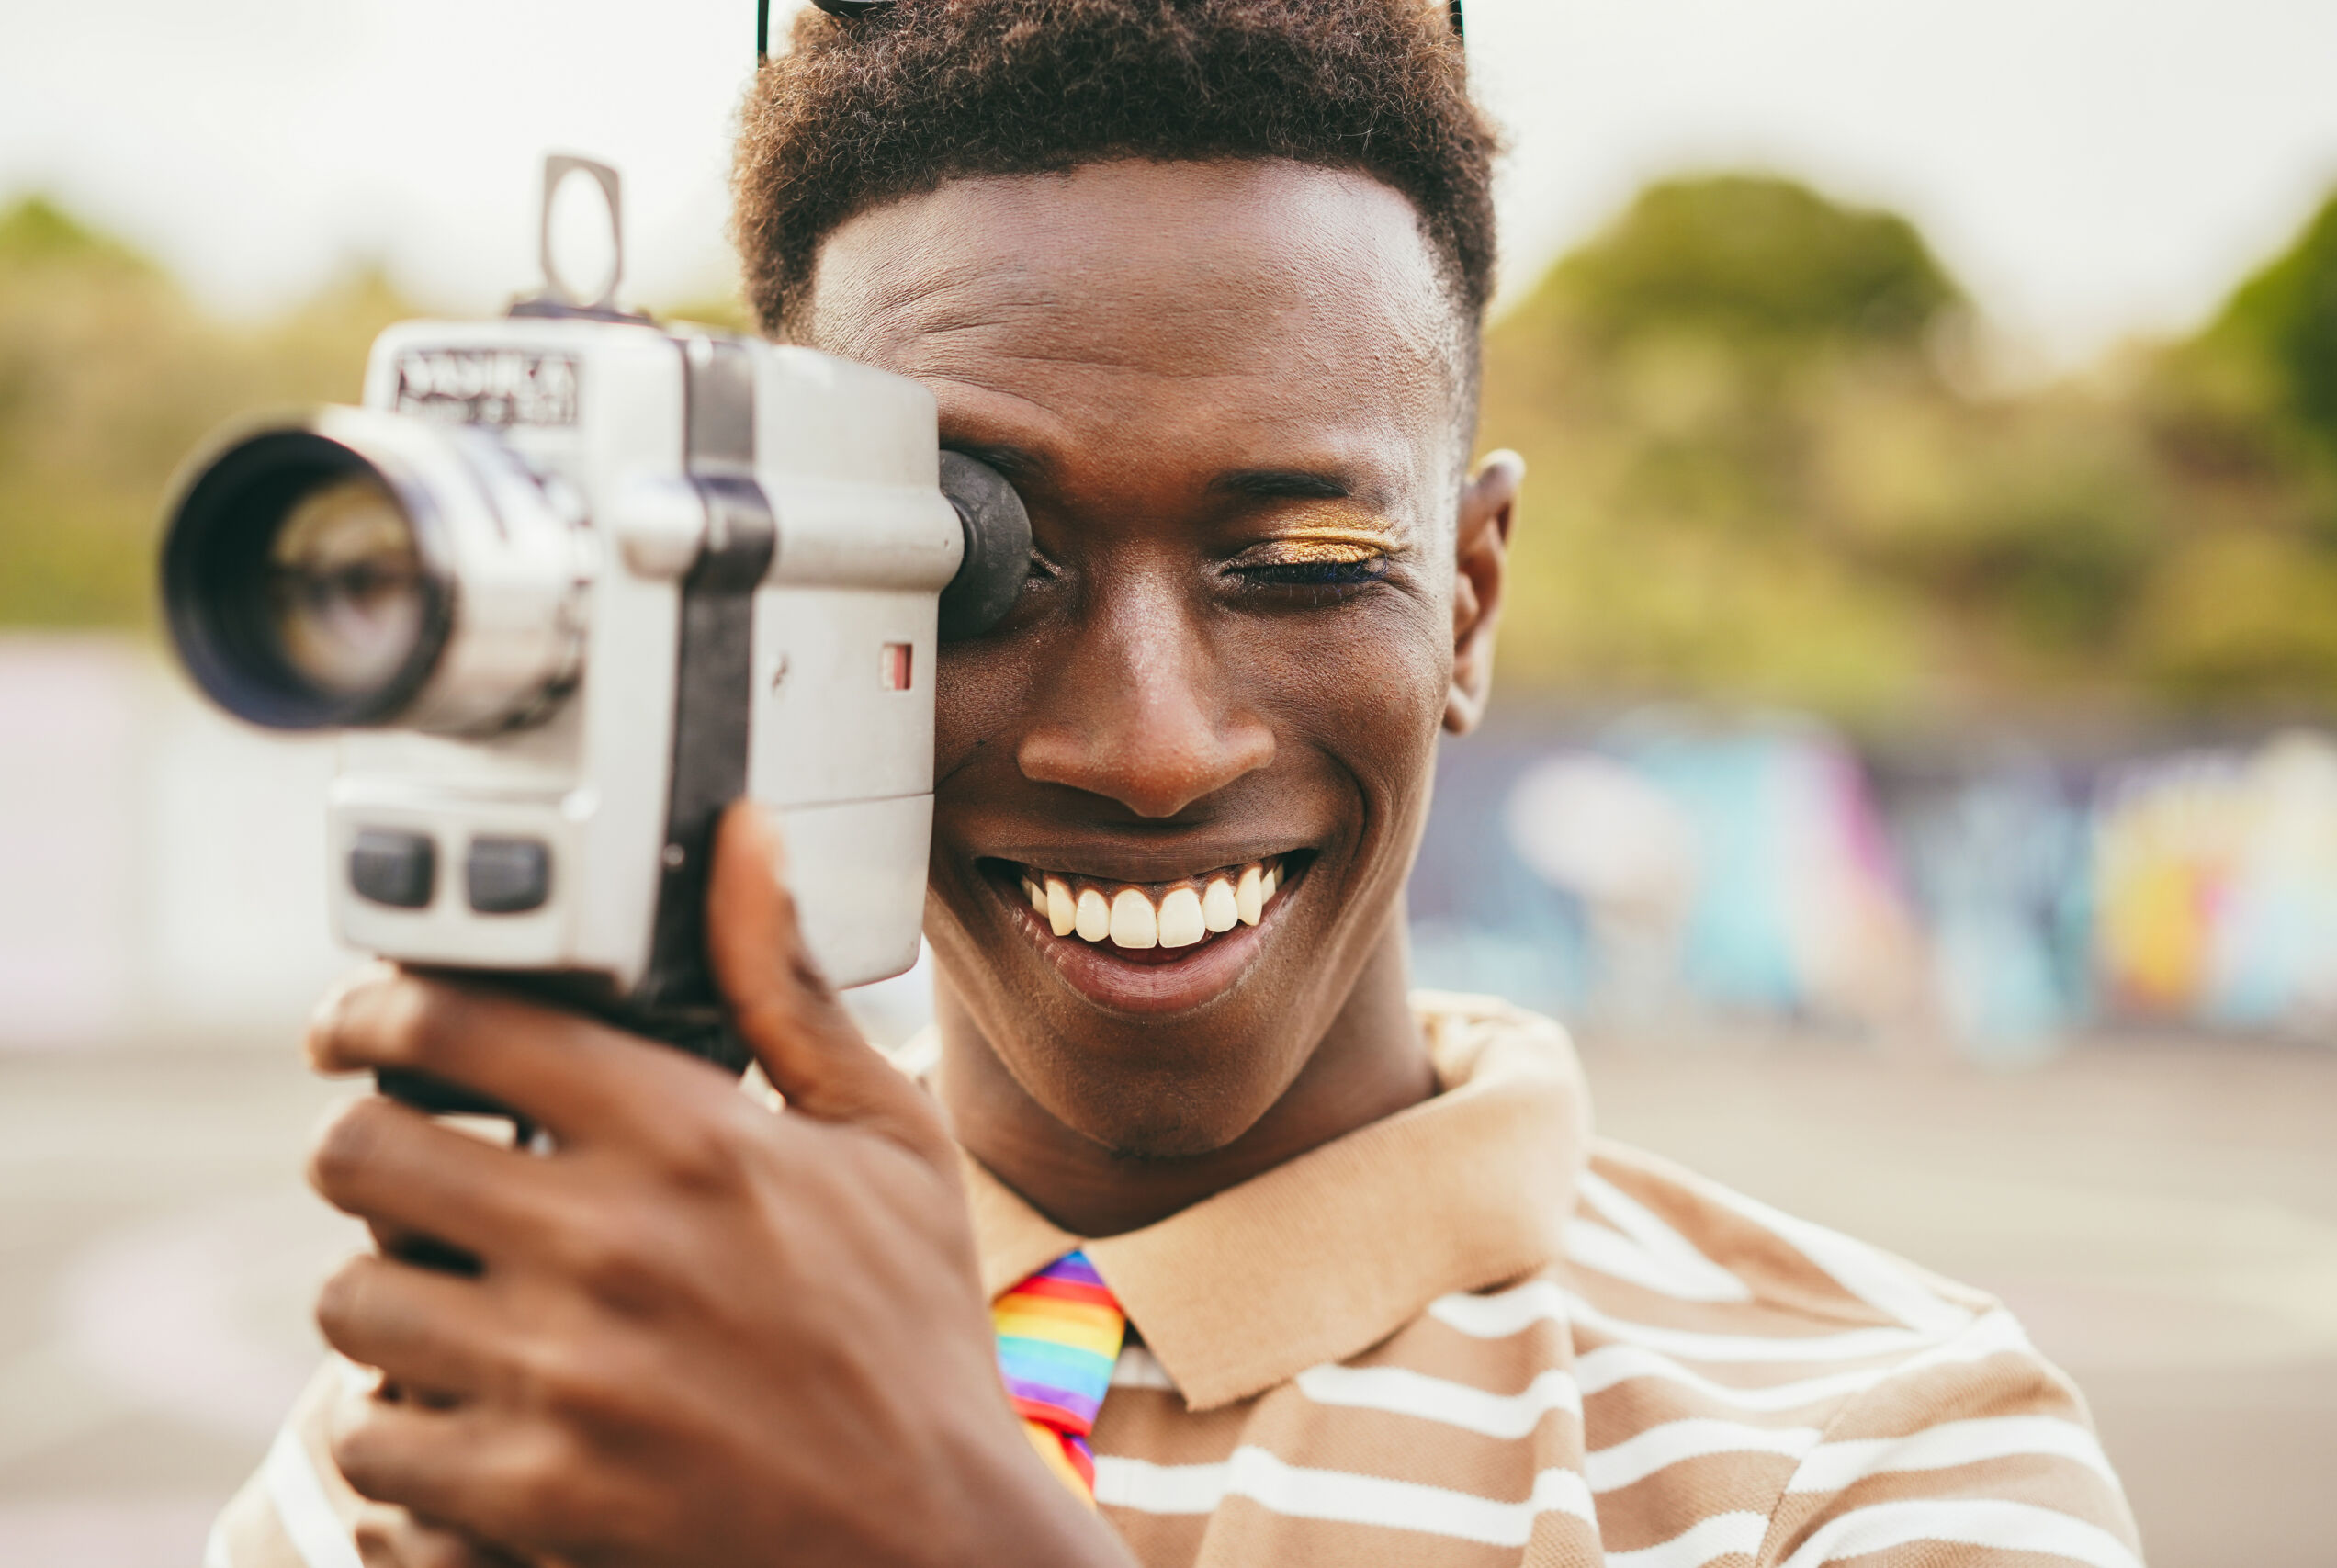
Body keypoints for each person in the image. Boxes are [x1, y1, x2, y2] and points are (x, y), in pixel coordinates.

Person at [208, 3, 2142, 1565]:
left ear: (1465, 599)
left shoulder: (1869, 1452)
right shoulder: (536, 1402)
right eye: (972, 558)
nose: (1148, 743)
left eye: (1298, 563)